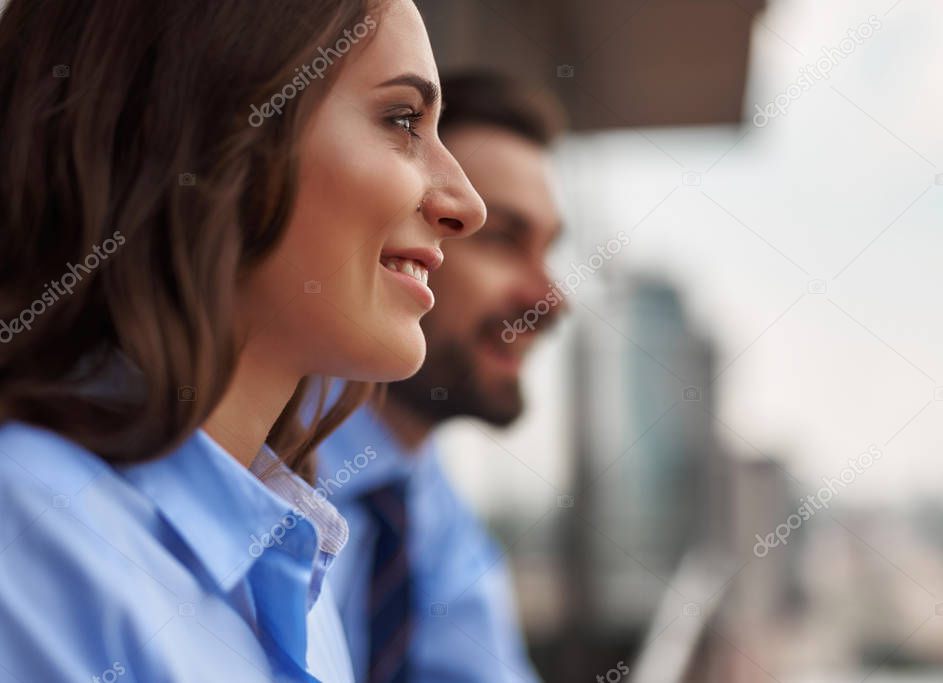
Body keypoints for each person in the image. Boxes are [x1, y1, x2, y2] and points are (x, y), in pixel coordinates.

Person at [0, 1, 485, 682]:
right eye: (402, 119)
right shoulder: (29, 540)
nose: (465, 203)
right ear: (204, 127)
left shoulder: (293, 573)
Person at [317, 71, 566, 683]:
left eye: (549, 248)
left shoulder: (431, 513)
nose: (551, 298)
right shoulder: (239, 465)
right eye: (505, 240)